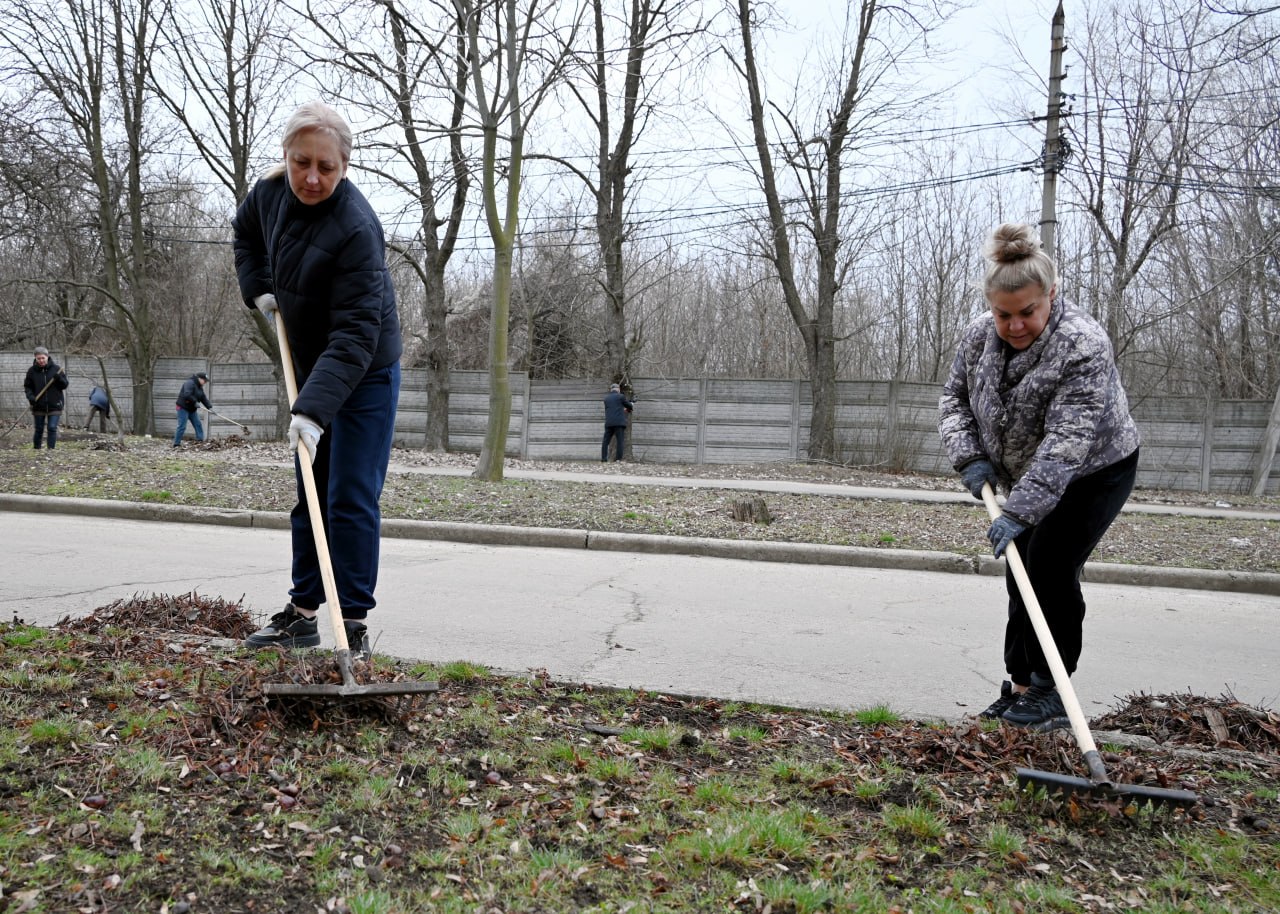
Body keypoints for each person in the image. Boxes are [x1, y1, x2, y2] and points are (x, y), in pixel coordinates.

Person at [938, 222, 1140, 732]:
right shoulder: (979, 335)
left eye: (1028, 311)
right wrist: (970, 457)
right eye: (1004, 314)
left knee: (1048, 566)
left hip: (1094, 470)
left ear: (1051, 295)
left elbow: (1067, 441)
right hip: (1029, 474)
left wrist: (1019, 511)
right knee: (1019, 571)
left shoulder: (1082, 343)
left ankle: (1052, 689)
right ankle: (1022, 688)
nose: (1015, 325)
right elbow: (953, 400)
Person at [233, 100, 402, 658]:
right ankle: (303, 615)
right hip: (313, 364)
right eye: (301, 161)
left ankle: (351, 624)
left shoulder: (357, 230)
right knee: (310, 492)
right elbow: (246, 235)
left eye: (325, 167)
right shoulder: (271, 193)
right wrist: (259, 287)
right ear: (286, 156)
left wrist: (311, 410)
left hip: (364, 371)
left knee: (349, 496)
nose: (311, 177)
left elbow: (356, 335)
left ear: (344, 166)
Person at [24, 346, 69, 450]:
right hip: (38, 404)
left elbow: (65, 385)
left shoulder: (56, 369)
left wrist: (59, 379)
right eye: (38, 358)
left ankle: (50, 450)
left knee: (52, 428)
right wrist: (31, 397)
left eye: (43, 358)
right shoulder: (32, 371)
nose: (41, 361)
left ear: (47, 357)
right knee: (39, 429)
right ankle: (37, 449)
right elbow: (28, 387)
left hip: (55, 404)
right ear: (35, 358)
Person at [173, 372, 212, 447]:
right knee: (182, 426)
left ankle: (200, 441)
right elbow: (187, 394)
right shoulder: (189, 383)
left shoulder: (199, 386)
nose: (205, 382)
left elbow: (203, 397)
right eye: (205, 381)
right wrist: (194, 402)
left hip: (191, 409)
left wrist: (209, 406)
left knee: (198, 424)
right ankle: (176, 443)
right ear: (199, 379)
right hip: (183, 407)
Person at [601, 383, 635, 462]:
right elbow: (629, 406)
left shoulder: (606, 399)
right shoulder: (621, 397)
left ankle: (603, 459)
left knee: (605, 442)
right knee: (620, 441)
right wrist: (632, 403)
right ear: (618, 389)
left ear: (611, 389)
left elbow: (615, 409)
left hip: (609, 423)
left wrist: (625, 409)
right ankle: (618, 459)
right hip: (619, 423)